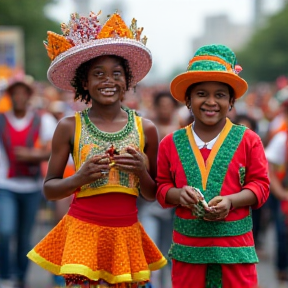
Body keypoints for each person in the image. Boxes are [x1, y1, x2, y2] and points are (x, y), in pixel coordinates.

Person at [27, 11, 167, 288]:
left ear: (127, 81)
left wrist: (141, 171)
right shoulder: (68, 127)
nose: (108, 81)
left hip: (127, 234)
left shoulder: (146, 129)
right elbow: (50, 189)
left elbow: (154, 195)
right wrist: (80, 178)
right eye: (98, 74)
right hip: (82, 233)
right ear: (84, 83)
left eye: (117, 74)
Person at [156, 44, 270, 288]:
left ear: (231, 101)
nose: (210, 102)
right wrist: (179, 194)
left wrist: (232, 201)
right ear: (187, 99)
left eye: (220, 94)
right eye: (201, 94)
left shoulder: (249, 140)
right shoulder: (170, 143)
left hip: (236, 252)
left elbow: (260, 186)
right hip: (188, 253)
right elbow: (161, 188)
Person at [0, 76, 57, 288]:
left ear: (29, 96)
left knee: (25, 235)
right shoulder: (1, 120)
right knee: (5, 230)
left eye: (24, 93)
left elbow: (52, 149)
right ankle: (5, 274)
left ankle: (20, 276)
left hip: (32, 186)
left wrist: (32, 155)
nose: (19, 97)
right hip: (5, 185)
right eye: (15, 93)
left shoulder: (43, 120)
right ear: (10, 96)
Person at [265, 99, 288, 286]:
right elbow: (268, 167)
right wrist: (280, 192)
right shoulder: (282, 138)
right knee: (283, 234)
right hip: (285, 198)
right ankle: (282, 269)